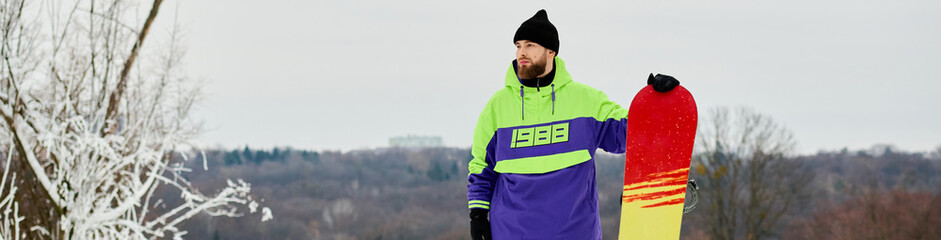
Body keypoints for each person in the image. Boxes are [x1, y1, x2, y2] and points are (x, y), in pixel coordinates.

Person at [466, 9, 679, 239]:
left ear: (551, 52)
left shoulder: (586, 101)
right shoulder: (497, 106)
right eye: (518, 46)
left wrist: (656, 102)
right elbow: (481, 166)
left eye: (530, 45)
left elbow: (627, 132)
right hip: (511, 233)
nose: (521, 52)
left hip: (575, 233)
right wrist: (478, 215)